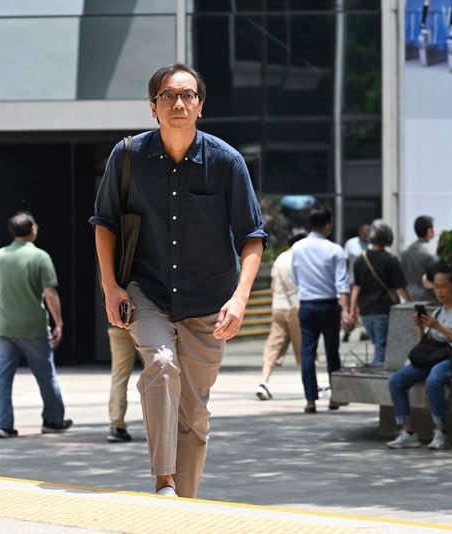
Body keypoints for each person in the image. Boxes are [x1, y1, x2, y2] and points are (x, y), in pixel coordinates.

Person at [90, 63, 266, 498]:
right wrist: (110, 287)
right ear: (153, 107)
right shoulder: (127, 156)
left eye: (187, 95)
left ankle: (181, 509)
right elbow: (105, 223)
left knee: (195, 416)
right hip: (146, 291)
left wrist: (240, 299)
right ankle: (163, 480)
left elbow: (252, 237)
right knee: (162, 364)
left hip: (209, 300)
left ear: (200, 106)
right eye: (168, 96)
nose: (178, 104)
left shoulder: (226, 162)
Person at [0, 212, 72, 438]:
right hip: (34, 327)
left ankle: (4, 426)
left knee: (3, 376)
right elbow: (50, 293)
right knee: (46, 374)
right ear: (32, 229)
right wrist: (59, 323)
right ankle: (53, 420)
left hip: (5, 326)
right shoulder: (40, 257)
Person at [386, 262, 452, 450]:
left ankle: (440, 431)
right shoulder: (440, 309)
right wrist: (420, 326)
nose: (440, 292)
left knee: (434, 379)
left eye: (444, 286)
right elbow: (424, 342)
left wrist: (439, 327)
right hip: (433, 355)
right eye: (436, 287)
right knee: (396, 380)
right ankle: (407, 431)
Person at [291, 205, 352, 413]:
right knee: (332, 351)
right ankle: (335, 397)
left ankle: (310, 399)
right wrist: (345, 310)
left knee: (307, 352)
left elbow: (296, 278)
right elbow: (341, 283)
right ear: (328, 224)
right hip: (328, 305)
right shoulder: (335, 249)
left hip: (307, 305)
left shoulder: (297, 248)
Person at [255, 230, 308, 401]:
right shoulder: (300, 259)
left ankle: (263, 382)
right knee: (304, 347)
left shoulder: (279, 258)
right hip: (296, 308)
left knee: (273, 346)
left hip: (278, 307)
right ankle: (310, 386)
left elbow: (273, 286)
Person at [349, 220, 410, 364]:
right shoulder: (391, 260)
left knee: (378, 345)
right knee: (381, 347)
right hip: (384, 310)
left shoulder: (360, 259)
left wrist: (352, 310)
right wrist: (411, 304)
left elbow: (356, 287)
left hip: (366, 311)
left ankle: (379, 374)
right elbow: (400, 288)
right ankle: (379, 380)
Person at [107, 325, 139, 442]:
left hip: (117, 325)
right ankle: (162, 425)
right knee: (157, 378)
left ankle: (116, 426)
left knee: (119, 379)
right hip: (144, 324)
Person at [342, 224, 371, 342]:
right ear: (359, 232)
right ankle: (347, 331)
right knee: (351, 308)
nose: (366, 236)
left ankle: (364, 331)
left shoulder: (372, 245)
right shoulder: (351, 243)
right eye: (364, 233)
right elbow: (344, 261)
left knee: (365, 307)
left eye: (368, 233)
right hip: (352, 281)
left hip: (367, 282)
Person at [401, 215, 437, 302]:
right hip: (428, 299)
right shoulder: (432, 252)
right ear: (429, 231)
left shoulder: (405, 252)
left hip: (409, 298)